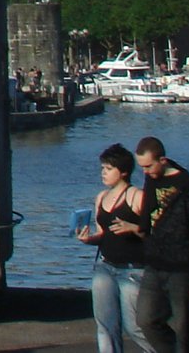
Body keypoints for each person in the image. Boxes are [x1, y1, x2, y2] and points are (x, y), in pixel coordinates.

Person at [133, 136, 189, 353]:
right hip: (155, 264)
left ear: (163, 160)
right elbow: (147, 220)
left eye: (148, 166)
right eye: (142, 167)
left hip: (182, 267)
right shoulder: (151, 180)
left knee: (185, 330)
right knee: (146, 320)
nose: (145, 172)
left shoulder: (187, 185)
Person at [76, 143, 153, 353]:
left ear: (124, 172)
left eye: (109, 169)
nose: (104, 173)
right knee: (105, 326)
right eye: (103, 168)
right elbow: (103, 234)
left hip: (133, 269)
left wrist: (133, 227)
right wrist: (88, 239)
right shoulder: (101, 198)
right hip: (105, 267)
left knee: (134, 327)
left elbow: (155, 233)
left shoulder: (137, 196)